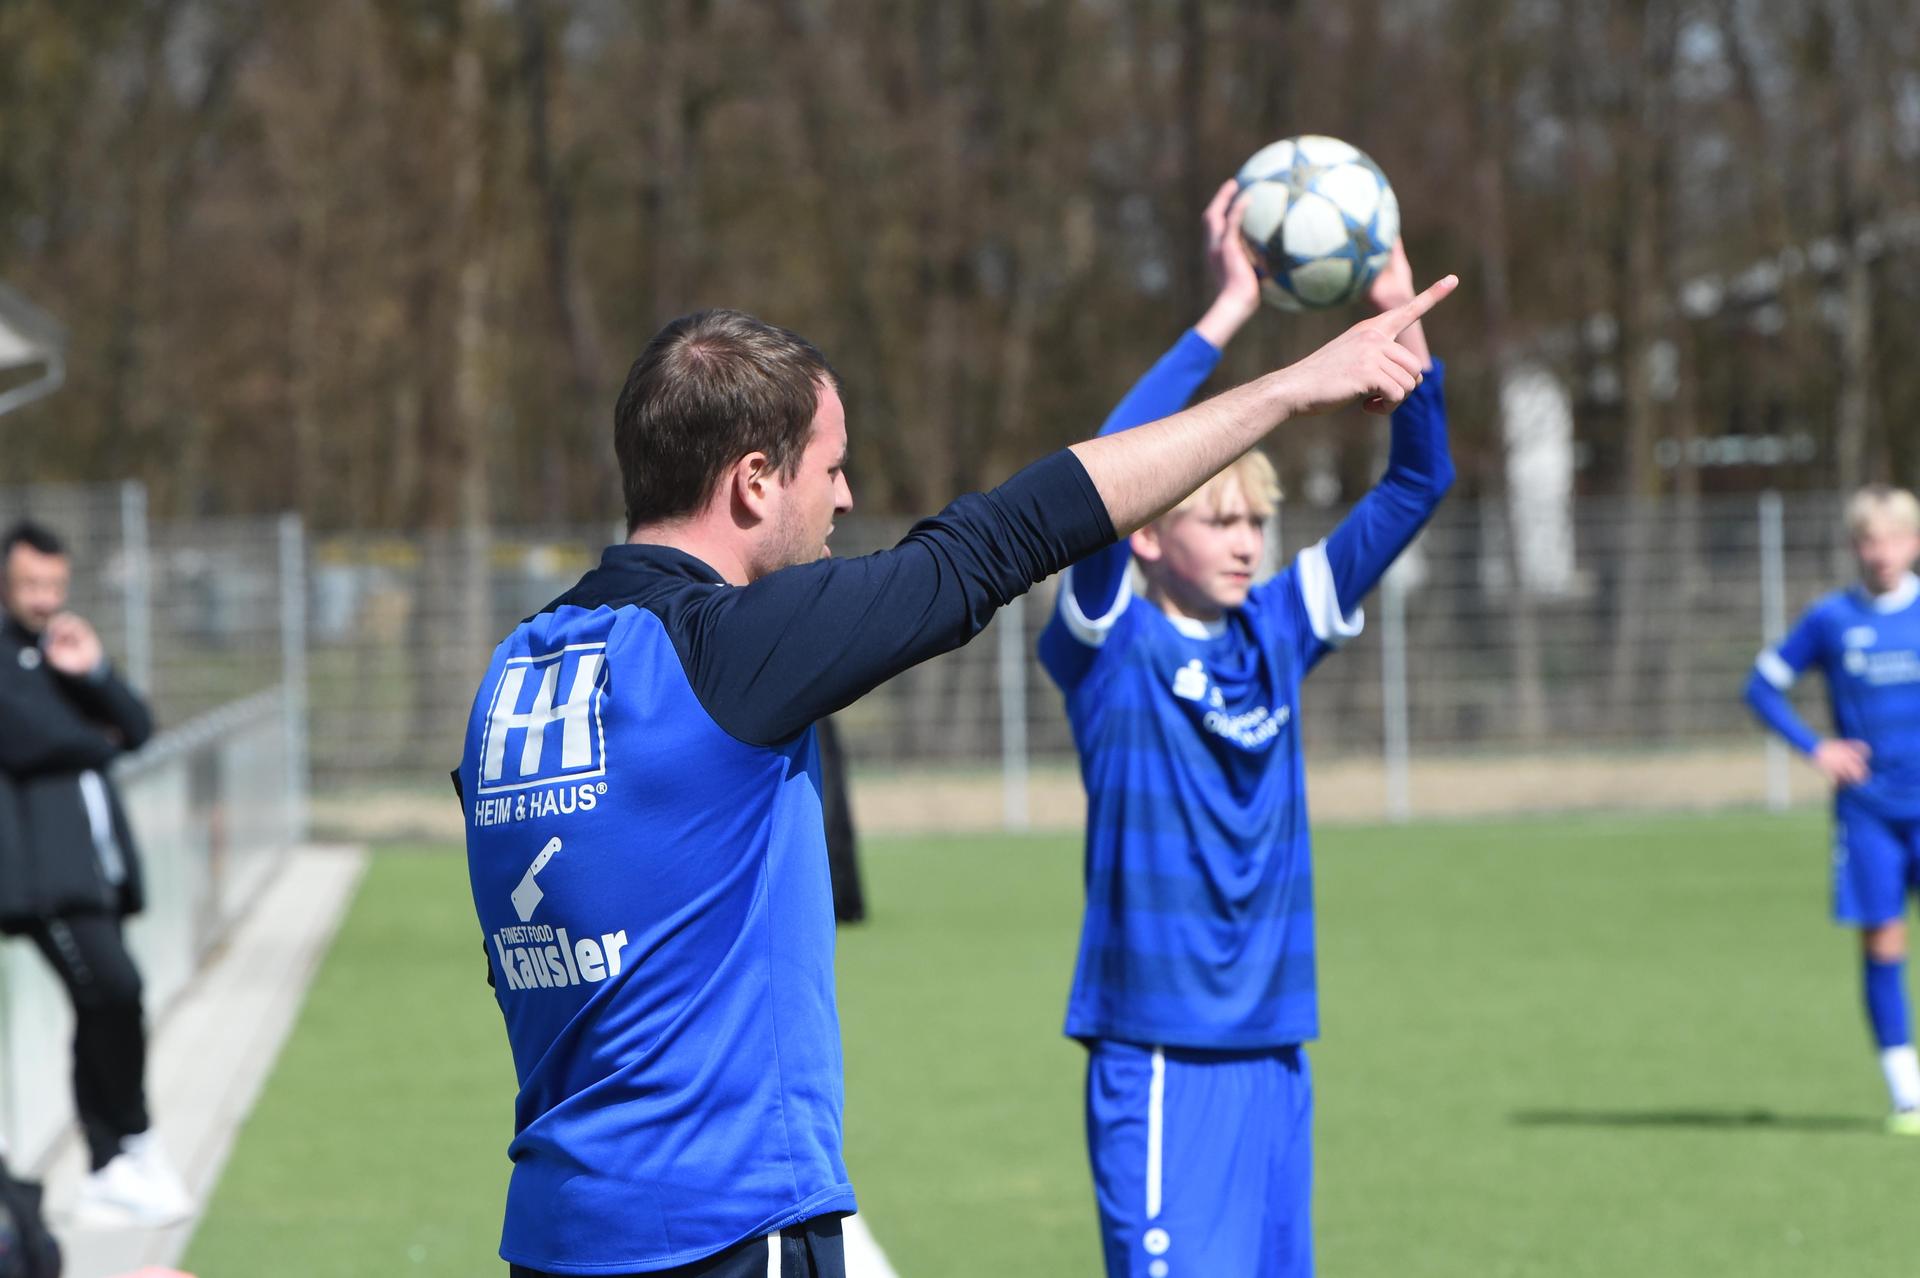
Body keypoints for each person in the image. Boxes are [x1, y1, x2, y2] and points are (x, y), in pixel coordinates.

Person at [455, 272, 1455, 1277]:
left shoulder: (515, 672)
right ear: (756, 480)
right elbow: (1003, 538)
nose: (845, 496)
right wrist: (1287, 389)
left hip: (557, 1230)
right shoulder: (721, 654)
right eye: (831, 468)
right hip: (719, 1225)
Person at [1038, 183, 1453, 1278]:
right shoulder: (1107, 643)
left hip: (1275, 1046)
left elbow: (1421, 480)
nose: (1247, 542)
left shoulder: (1276, 627)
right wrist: (1229, 311)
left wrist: (1400, 318)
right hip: (1163, 1048)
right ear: (1145, 538)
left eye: (1259, 521)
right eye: (1219, 518)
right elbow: (1103, 463)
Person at [0, 520, 190, 1226]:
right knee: (116, 989)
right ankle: (132, 1139)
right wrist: (93, 739)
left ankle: (109, 1166)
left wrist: (97, 673)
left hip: (98, 876)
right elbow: (25, 739)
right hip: (46, 882)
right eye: (30, 585)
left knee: (99, 1006)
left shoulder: (59, 656)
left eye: (55, 584)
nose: (46, 599)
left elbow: (139, 728)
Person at [1745, 483, 1920, 1133]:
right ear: (1855, 545)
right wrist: (1816, 748)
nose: (1882, 552)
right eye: (1870, 540)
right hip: (1868, 812)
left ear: (1914, 543)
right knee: (1884, 941)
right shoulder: (1831, 619)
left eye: (1895, 538)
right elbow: (1761, 686)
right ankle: (1908, 1093)